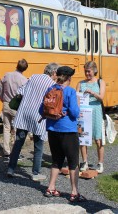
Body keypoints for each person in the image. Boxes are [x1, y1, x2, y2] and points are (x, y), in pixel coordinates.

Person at [39, 66, 86, 202]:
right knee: (73, 162)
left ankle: (51, 188)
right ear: (69, 78)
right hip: (68, 131)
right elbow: (75, 113)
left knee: (56, 160)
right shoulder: (70, 92)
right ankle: (74, 192)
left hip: (52, 130)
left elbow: (41, 110)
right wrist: (77, 104)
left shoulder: (50, 90)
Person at [7, 63, 59, 181]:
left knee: (18, 143)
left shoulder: (34, 76)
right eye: (57, 74)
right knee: (38, 145)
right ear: (54, 73)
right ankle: (36, 173)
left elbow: (20, 91)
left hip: (24, 114)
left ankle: (11, 168)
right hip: (38, 117)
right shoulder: (52, 84)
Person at [76, 61, 106, 173]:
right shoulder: (80, 83)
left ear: (94, 71)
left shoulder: (100, 82)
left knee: (98, 139)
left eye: (88, 71)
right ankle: (84, 161)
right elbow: (76, 97)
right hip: (83, 113)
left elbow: (101, 97)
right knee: (83, 138)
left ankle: (100, 163)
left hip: (96, 112)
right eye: (85, 71)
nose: (87, 74)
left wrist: (92, 92)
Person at [0, 59, 28, 160]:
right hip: (16, 107)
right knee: (16, 130)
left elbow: (1, 88)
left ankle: (6, 151)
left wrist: (2, 98)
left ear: (16, 65)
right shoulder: (24, 80)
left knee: (6, 128)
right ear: (25, 69)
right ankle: (15, 152)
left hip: (6, 104)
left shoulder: (7, 75)